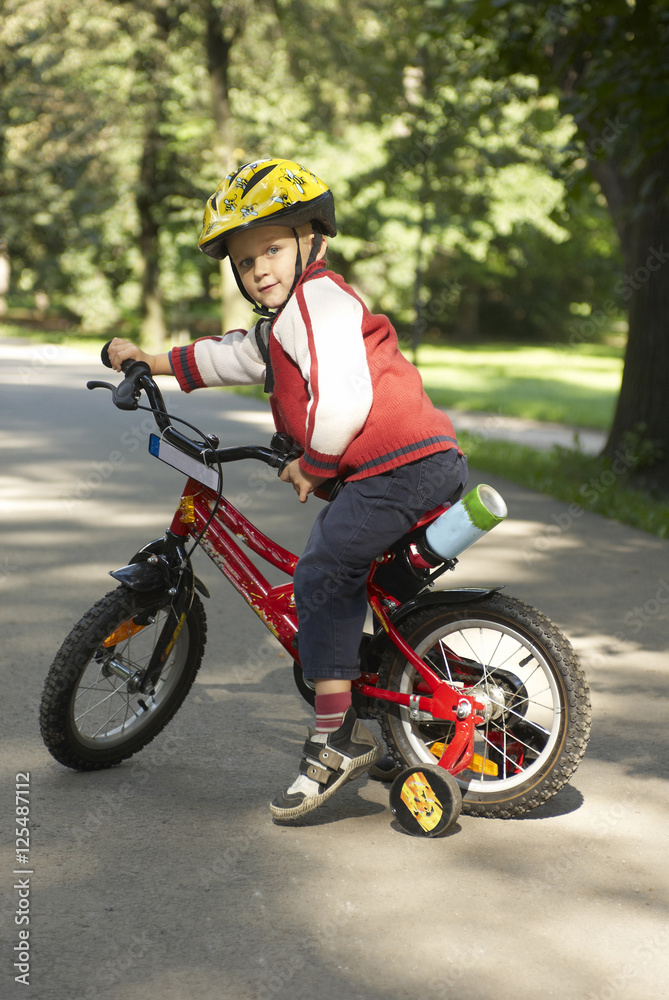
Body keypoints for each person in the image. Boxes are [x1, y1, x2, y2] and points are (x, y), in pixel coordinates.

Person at [108, 157, 468, 823]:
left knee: (323, 574)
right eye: (244, 262)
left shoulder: (320, 301)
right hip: (406, 468)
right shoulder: (285, 322)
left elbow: (344, 398)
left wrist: (315, 464)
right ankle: (398, 699)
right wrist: (145, 360)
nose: (259, 269)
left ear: (314, 238)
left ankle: (336, 741)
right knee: (364, 585)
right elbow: (229, 356)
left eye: (272, 247)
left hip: (400, 465)